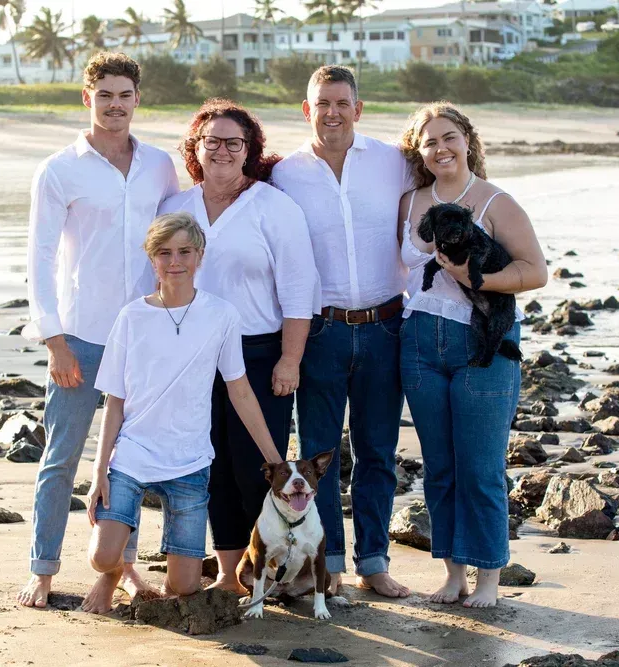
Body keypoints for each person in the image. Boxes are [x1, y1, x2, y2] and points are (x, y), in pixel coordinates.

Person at [17, 52, 179, 609]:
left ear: (137, 98)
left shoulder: (159, 165)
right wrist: (54, 340)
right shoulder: (60, 169)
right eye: (104, 95)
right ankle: (43, 568)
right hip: (80, 337)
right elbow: (39, 259)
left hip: (142, 336)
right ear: (87, 99)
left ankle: (123, 566)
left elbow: (175, 245)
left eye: (124, 94)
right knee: (61, 456)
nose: (115, 104)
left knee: (129, 461)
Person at [156, 99, 320, 594]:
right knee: (211, 464)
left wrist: (290, 359)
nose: (223, 151)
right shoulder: (175, 209)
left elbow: (299, 290)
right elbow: (160, 280)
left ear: (249, 150)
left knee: (258, 466)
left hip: (260, 352)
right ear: (196, 148)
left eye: (234, 143)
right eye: (213, 142)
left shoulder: (274, 206)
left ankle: (274, 574)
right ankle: (231, 575)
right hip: (192, 352)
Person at [83, 213, 284, 613]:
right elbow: (116, 400)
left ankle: (150, 572)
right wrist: (98, 471)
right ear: (151, 259)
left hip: (189, 461)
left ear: (200, 256)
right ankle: (116, 573)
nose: (175, 261)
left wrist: (275, 460)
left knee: (184, 587)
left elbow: (240, 390)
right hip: (134, 454)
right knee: (102, 555)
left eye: (184, 252)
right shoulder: (131, 318)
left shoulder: (222, 315)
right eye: (164, 253)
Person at [397, 102, 547, 608]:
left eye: (449, 137)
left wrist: (472, 277)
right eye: (429, 141)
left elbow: (534, 272)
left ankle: (488, 579)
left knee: (481, 468)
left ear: (467, 140)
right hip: (419, 343)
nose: (441, 148)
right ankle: (453, 574)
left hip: (483, 343)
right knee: (439, 467)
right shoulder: (410, 201)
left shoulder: (495, 201)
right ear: (419, 151)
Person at [271, 66, 414, 598]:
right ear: (306, 110)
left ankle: (373, 562)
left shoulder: (394, 163)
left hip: (386, 326)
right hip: (321, 332)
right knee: (317, 455)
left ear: (358, 108)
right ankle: (324, 564)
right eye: (320, 103)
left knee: (378, 452)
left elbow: (443, 197)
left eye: (341, 102)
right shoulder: (284, 174)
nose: (331, 112)